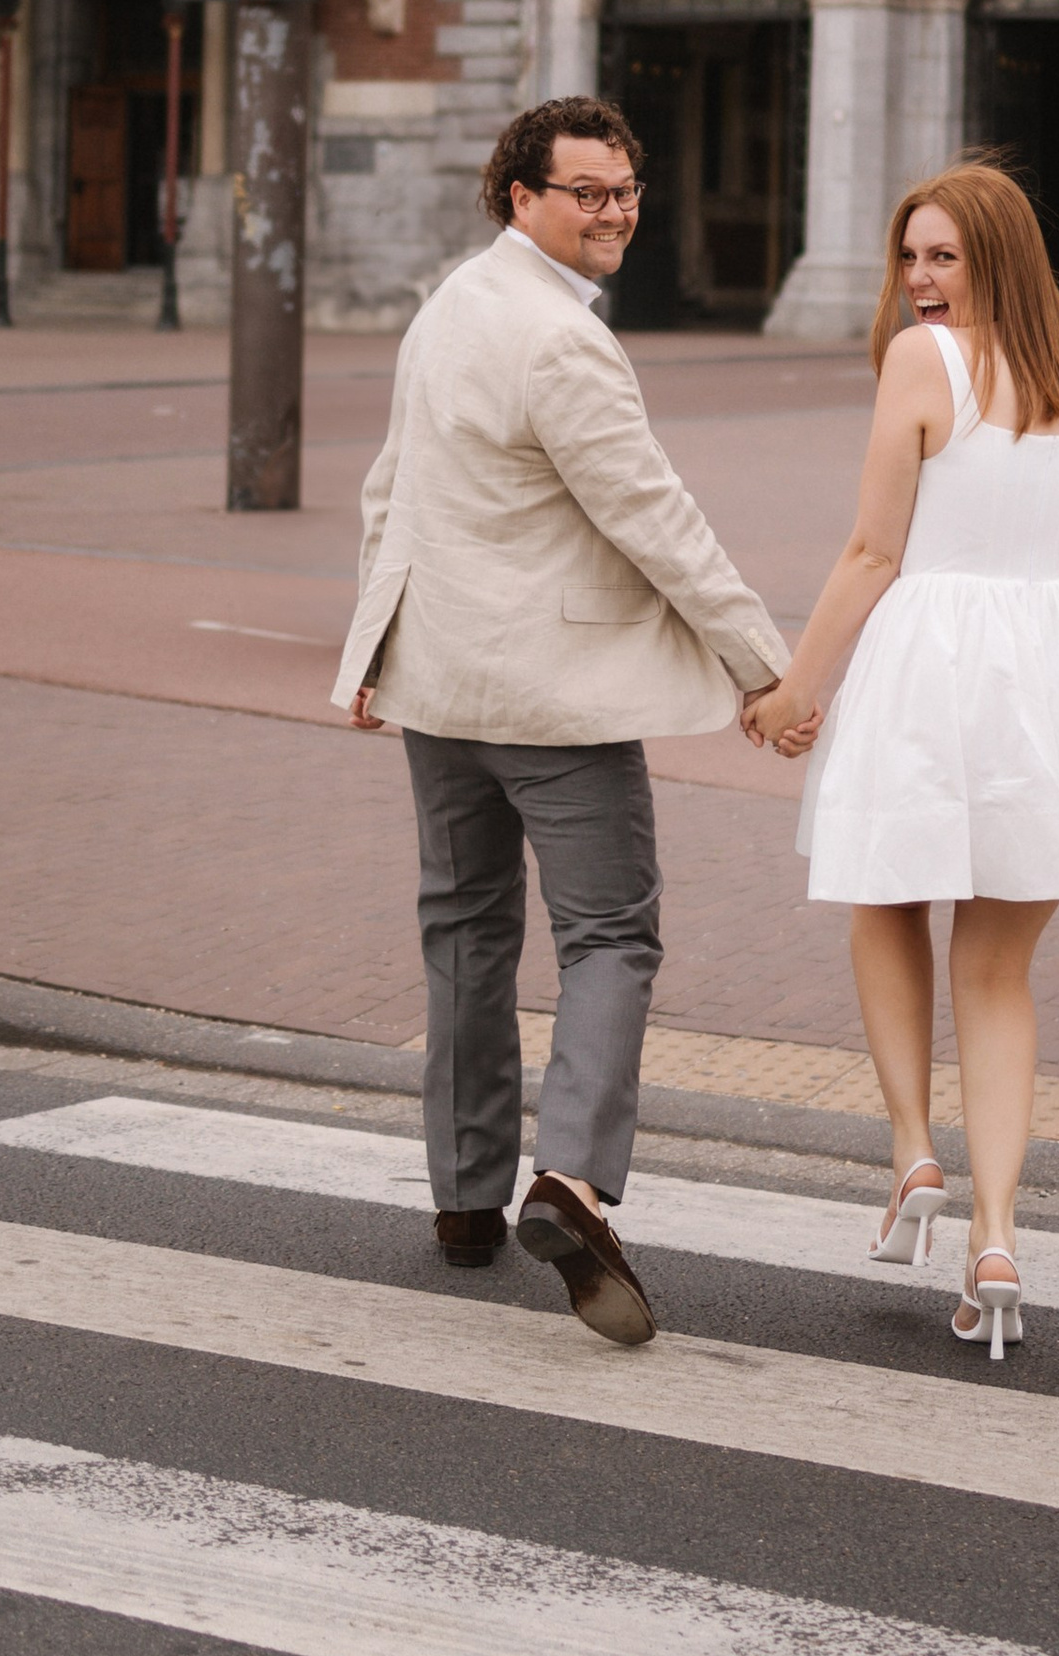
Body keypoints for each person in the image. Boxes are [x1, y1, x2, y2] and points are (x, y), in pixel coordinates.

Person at [335, 95, 791, 1347]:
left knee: (467, 930)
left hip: (441, 685)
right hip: (551, 699)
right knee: (609, 937)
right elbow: (653, 514)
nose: (616, 211)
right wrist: (765, 662)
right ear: (519, 195)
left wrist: (368, 648)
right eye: (587, 190)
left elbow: (393, 489)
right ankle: (571, 1180)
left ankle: (464, 1197)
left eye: (627, 188)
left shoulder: (448, 306)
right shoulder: (561, 339)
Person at [742, 156, 1059, 1360]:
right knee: (999, 972)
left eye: (942, 255)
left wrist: (796, 688)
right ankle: (995, 1239)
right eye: (908, 256)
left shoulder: (920, 360)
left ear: (992, 254)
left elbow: (869, 549)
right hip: (1049, 661)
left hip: (929, 661)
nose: (918, 279)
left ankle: (912, 1156)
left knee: (883, 897)